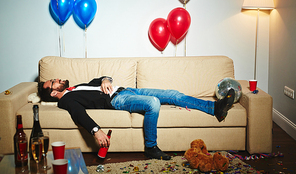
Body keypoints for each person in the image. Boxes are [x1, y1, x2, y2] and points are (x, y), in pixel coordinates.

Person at [38, 76, 235, 160]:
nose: (57, 79)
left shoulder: (77, 87)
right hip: (118, 100)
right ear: (54, 93)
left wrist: (106, 80)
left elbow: (99, 80)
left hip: (127, 90)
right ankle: (151, 147)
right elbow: (78, 114)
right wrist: (96, 131)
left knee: (173, 94)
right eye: (53, 82)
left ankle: (215, 108)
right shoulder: (67, 99)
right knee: (152, 103)